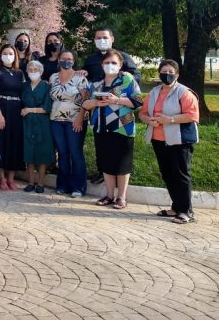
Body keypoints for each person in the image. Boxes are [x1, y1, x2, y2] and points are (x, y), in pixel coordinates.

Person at [139, 59, 199, 224]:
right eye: (164, 72)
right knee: (168, 175)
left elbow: (192, 115)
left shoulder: (184, 93)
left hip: (179, 140)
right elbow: (142, 113)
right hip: (158, 139)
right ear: (159, 73)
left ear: (177, 75)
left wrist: (170, 119)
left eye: (171, 73)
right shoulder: (154, 92)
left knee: (180, 175)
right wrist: (148, 120)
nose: (167, 75)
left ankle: (187, 211)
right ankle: (175, 208)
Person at [82, 50, 142, 210]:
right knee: (106, 162)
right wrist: (95, 103)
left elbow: (138, 101)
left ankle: (121, 197)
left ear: (121, 65)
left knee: (122, 163)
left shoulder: (127, 80)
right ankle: (109, 195)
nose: (110, 66)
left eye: (114, 63)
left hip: (123, 127)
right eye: (107, 63)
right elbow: (84, 103)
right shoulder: (95, 83)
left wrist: (117, 100)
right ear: (102, 65)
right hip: (101, 127)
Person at [49, 49, 89, 197]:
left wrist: (80, 117)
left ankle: (78, 187)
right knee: (62, 153)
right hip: (56, 120)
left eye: (69, 59)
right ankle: (63, 185)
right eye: (64, 58)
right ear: (59, 59)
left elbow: (86, 99)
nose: (66, 61)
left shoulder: (80, 77)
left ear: (73, 61)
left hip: (75, 120)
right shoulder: (53, 77)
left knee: (75, 153)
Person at [0, 43, 25, 191]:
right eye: (5, 53)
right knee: (2, 143)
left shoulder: (20, 73)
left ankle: (11, 179)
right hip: (1, 109)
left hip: (16, 111)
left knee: (15, 144)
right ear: (0, 56)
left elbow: (23, 92)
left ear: (15, 56)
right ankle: (1, 179)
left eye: (11, 53)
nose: (8, 56)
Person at [21, 60, 53, 193]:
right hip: (27, 122)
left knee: (42, 153)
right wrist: (26, 111)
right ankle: (30, 182)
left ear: (41, 71)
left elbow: (47, 108)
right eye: (30, 69)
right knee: (29, 152)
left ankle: (40, 183)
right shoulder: (24, 86)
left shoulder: (46, 86)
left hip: (42, 123)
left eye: (36, 70)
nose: (33, 72)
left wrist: (30, 110)